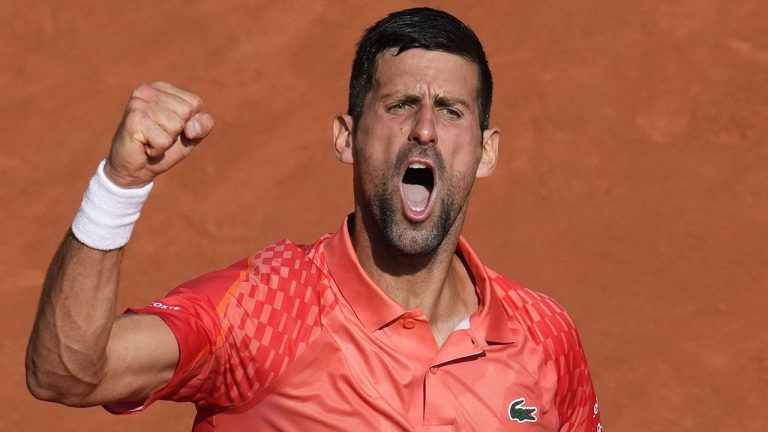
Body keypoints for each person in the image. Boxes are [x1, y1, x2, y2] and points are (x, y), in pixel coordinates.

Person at [26, 7, 603, 432]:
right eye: (401, 105)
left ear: (486, 152)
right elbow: (66, 374)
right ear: (347, 138)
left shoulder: (544, 338)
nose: (424, 129)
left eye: (451, 111)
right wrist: (118, 187)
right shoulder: (266, 309)